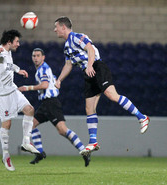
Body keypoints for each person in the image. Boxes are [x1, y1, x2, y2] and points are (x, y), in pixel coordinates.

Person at [54, 16, 150, 156]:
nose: (54, 29)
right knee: (89, 108)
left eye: (56, 27)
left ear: (63, 27)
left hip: (97, 67)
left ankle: (142, 117)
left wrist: (90, 65)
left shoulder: (76, 37)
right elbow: (68, 65)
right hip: (88, 73)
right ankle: (93, 142)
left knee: (112, 95)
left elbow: (91, 49)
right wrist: (59, 80)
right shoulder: (67, 47)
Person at [0, 30, 39, 171]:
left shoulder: (8, 53)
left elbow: (8, 65)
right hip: (0, 93)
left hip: (12, 89)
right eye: (17, 41)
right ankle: (6, 155)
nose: (19, 44)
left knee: (30, 110)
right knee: (7, 123)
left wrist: (18, 70)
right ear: (9, 42)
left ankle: (26, 142)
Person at [18, 48, 90, 167]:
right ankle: (40, 153)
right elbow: (52, 80)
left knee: (62, 130)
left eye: (38, 55)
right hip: (46, 104)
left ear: (43, 57)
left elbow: (45, 85)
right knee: (31, 125)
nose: (35, 58)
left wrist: (27, 88)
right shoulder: (44, 69)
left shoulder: (43, 69)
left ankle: (84, 151)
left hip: (51, 103)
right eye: (33, 56)